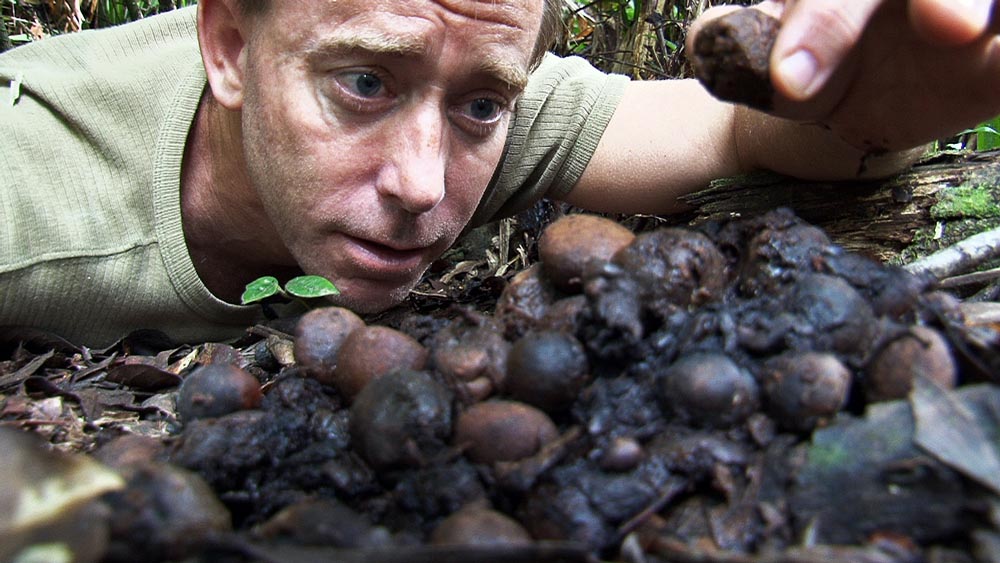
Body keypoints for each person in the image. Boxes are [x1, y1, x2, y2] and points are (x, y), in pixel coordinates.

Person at [1, 0, 997, 347]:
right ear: (227, 42)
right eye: (361, 82)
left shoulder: (468, 81)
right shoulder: (27, 190)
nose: (424, 185)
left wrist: (876, 99)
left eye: (481, 102)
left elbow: (743, 138)